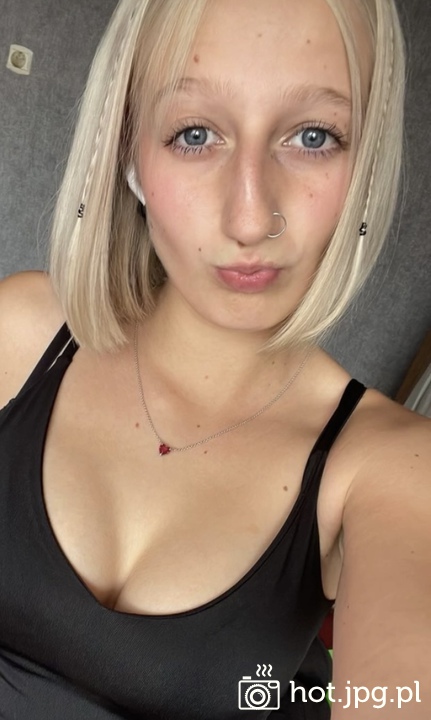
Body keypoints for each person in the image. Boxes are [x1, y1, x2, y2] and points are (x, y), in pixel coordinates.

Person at [0, 0, 430, 717]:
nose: (249, 218)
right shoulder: (19, 334)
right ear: (128, 153)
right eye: (194, 134)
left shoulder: (391, 468)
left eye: (313, 136)